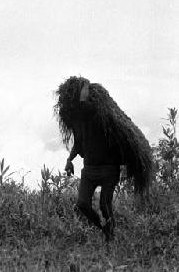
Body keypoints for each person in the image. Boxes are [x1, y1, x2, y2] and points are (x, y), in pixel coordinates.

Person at [55, 76, 152, 242]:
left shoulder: (98, 114)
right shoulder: (79, 122)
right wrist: (69, 160)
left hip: (108, 170)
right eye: (83, 89)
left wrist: (84, 86)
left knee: (104, 205)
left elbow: (85, 105)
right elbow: (78, 144)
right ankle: (103, 228)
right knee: (82, 204)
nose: (85, 92)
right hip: (89, 170)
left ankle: (110, 237)